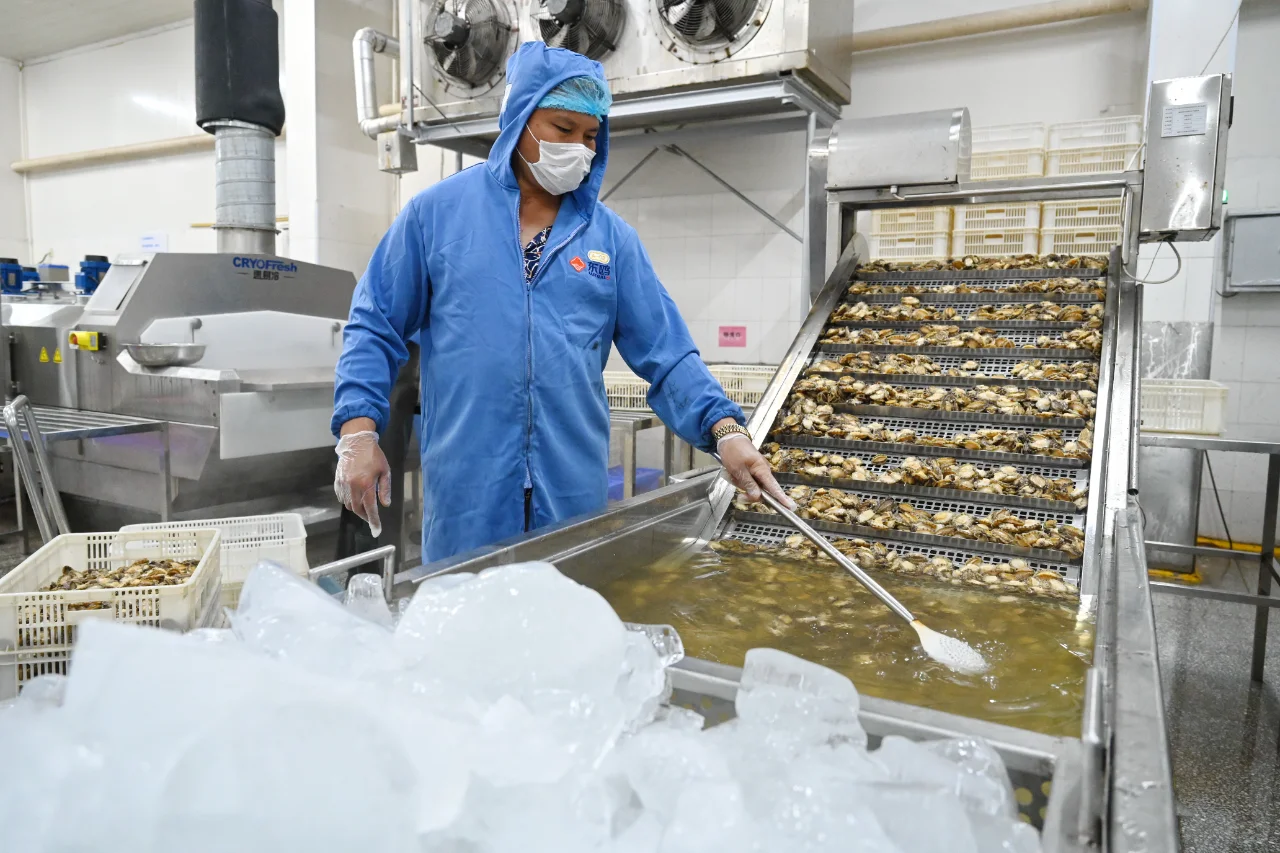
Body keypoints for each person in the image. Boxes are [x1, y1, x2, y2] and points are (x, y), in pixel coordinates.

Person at [332, 42, 792, 564]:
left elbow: (668, 355)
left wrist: (725, 430)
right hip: (468, 489)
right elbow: (374, 325)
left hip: (572, 492)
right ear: (520, 120)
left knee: (568, 627)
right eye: (563, 129)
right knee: (467, 630)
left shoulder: (611, 240)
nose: (579, 146)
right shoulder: (437, 216)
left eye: (591, 135)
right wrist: (357, 432)